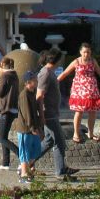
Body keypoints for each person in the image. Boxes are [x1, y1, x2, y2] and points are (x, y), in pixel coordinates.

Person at [59, 42, 100, 143]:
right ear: (80, 52)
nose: (86, 54)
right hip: (79, 90)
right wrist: (54, 81)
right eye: (84, 52)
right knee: (78, 111)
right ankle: (76, 133)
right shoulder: (76, 62)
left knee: (93, 112)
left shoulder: (93, 61)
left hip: (92, 90)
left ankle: (91, 133)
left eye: (88, 52)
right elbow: (65, 73)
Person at [37, 49, 78, 181]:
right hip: (48, 114)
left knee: (49, 141)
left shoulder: (50, 72)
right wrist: (42, 115)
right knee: (59, 141)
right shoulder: (45, 73)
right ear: (57, 60)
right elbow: (39, 95)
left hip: (53, 112)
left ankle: (27, 162)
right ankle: (60, 171)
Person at [13, 70, 43, 184]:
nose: (36, 82)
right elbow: (27, 114)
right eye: (34, 80)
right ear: (27, 82)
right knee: (25, 151)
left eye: (36, 80)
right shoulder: (24, 95)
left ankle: (24, 168)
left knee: (35, 150)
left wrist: (38, 126)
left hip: (33, 127)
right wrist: (33, 128)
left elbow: (34, 112)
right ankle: (24, 173)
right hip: (25, 129)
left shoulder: (32, 92)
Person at [0, 56, 19, 170]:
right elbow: (7, 90)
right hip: (13, 109)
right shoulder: (14, 75)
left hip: (6, 109)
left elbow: (0, 94)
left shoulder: (4, 76)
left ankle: (21, 156)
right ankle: (5, 163)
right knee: (4, 136)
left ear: (2, 66)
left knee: (2, 138)